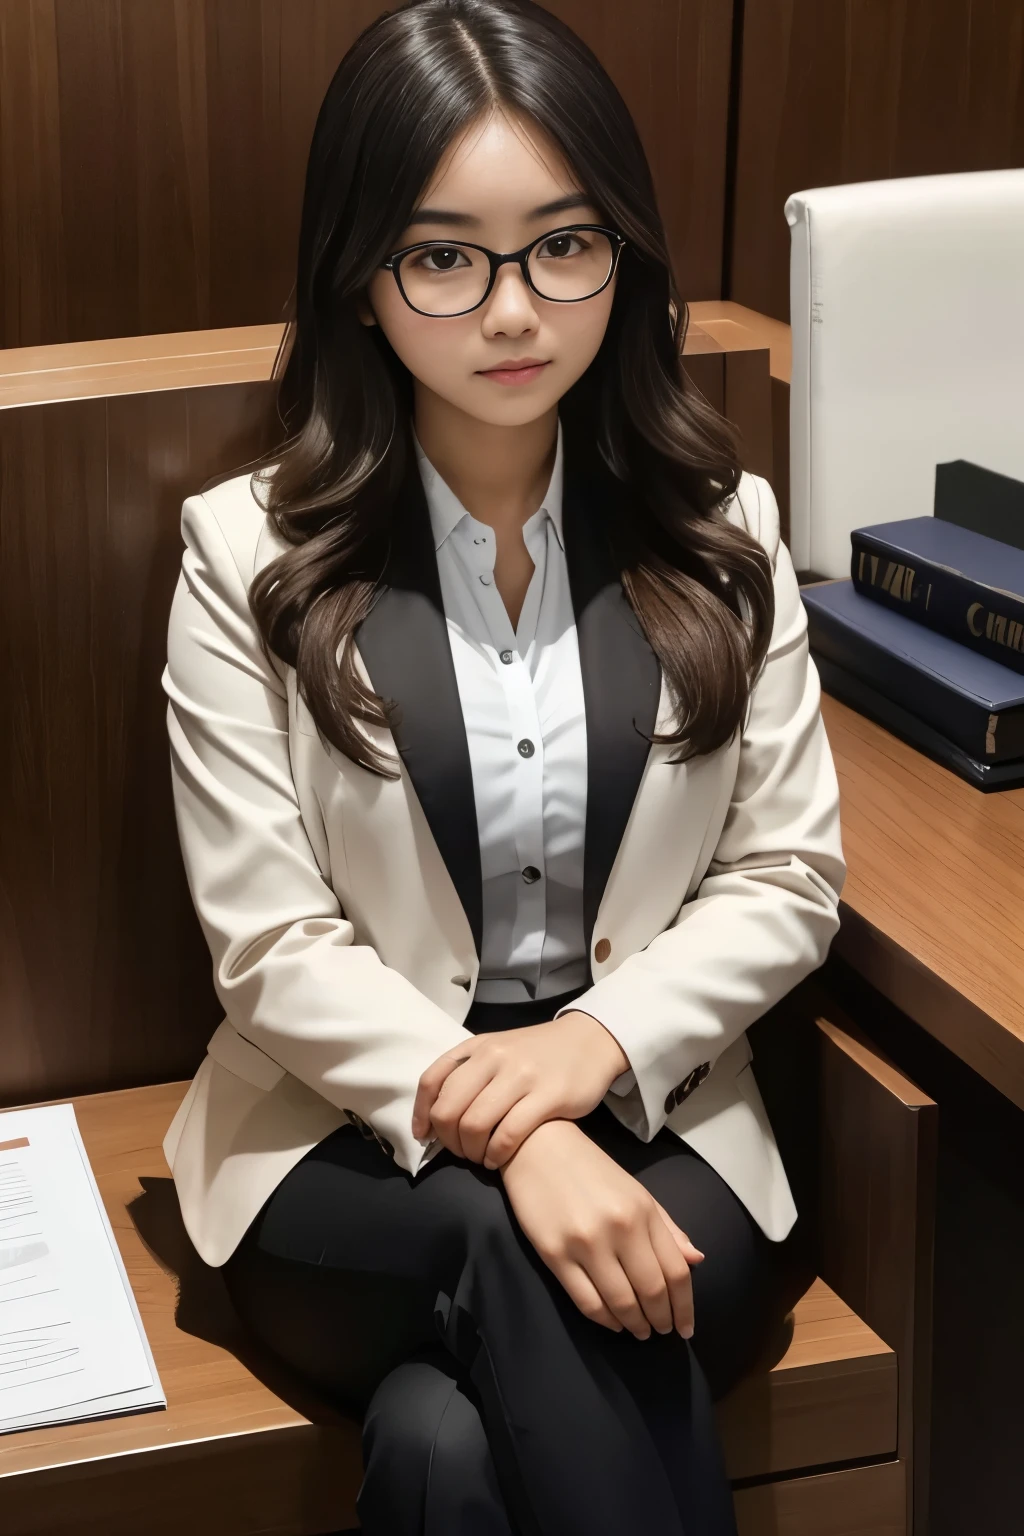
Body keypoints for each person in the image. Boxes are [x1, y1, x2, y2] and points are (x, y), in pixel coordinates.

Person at [159, 1, 846, 1531]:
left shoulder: (724, 534)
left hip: (660, 1126)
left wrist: (589, 1051)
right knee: (497, 1246)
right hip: (348, 1148)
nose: (516, 311)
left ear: (623, 254)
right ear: (362, 279)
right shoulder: (243, 555)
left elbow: (789, 878)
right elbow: (270, 946)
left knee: (442, 1447)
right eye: (447, 256)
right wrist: (517, 1135)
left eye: (562, 245)